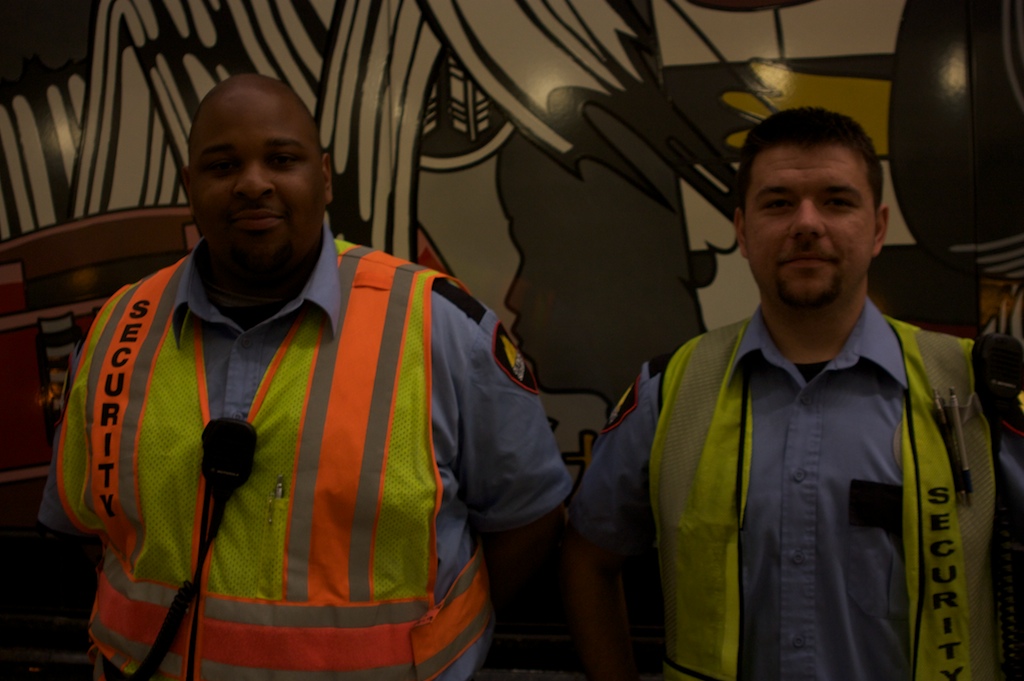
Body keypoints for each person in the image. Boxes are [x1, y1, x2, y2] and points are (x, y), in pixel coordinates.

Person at [37, 73, 572, 681]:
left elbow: (529, 521)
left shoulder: (438, 327)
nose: (253, 183)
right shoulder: (117, 330)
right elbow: (87, 528)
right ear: (190, 188)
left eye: (281, 159)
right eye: (222, 165)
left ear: (323, 177)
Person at [561, 107, 1024, 681]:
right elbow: (588, 556)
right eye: (778, 203)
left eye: (836, 200)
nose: (807, 223)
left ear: (877, 229)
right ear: (742, 231)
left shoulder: (978, 387)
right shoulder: (670, 390)